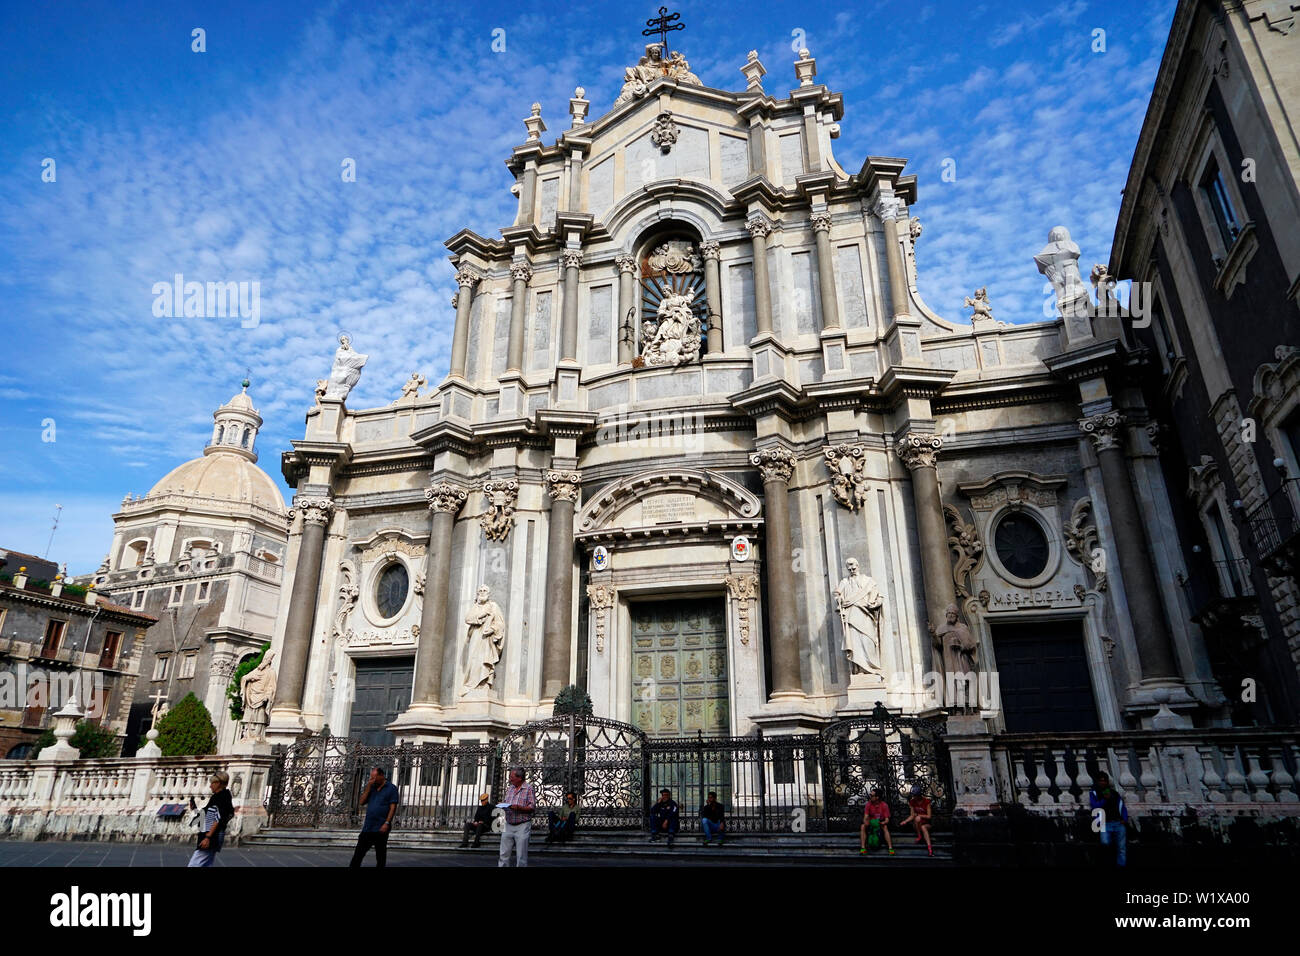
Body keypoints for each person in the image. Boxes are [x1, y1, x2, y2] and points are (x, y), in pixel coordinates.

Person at [350, 766, 398, 868]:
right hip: (368, 827)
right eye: (371, 777)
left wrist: (387, 823)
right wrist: (368, 787)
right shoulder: (371, 787)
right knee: (358, 854)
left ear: (381, 776)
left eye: (374, 777)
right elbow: (362, 802)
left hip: (381, 827)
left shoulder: (391, 788)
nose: (372, 780)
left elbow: (392, 808)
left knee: (380, 855)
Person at [187, 772, 234, 867]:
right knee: (206, 863)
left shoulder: (221, 798)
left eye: (212, 783)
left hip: (212, 835)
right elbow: (208, 814)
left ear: (218, 783)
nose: (210, 786)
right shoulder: (218, 797)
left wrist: (208, 837)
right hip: (211, 834)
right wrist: (195, 808)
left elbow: (218, 818)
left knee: (195, 864)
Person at [1089, 771, 1129, 867]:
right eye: (1100, 781)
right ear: (1097, 782)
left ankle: (1121, 865)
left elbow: (1122, 807)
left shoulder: (1114, 793)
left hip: (1118, 823)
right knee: (1105, 842)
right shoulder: (1094, 793)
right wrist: (1104, 799)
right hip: (1104, 824)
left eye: (1104, 781)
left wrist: (1124, 818)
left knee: (1122, 848)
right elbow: (1095, 806)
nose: (1102, 783)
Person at [499, 766, 536, 867]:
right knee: (503, 853)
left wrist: (520, 808)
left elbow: (532, 807)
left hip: (522, 826)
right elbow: (507, 802)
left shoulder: (529, 789)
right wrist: (503, 805)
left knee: (521, 856)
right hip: (508, 824)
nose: (510, 779)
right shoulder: (510, 788)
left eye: (511, 777)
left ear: (519, 778)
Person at [899, 786, 933, 857]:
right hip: (917, 825)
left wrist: (919, 815)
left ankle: (929, 849)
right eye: (913, 795)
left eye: (915, 795)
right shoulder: (912, 802)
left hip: (926, 824)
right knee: (917, 819)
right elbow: (912, 815)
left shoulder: (926, 801)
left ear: (919, 795)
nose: (914, 797)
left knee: (923, 826)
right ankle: (919, 836)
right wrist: (905, 821)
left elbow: (929, 816)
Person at [859, 789, 894, 856]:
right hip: (871, 823)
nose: (870, 797)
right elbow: (866, 816)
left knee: (885, 827)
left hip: (880, 823)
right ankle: (863, 848)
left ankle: (890, 848)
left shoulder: (884, 805)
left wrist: (883, 823)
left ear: (877, 797)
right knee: (863, 826)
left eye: (872, 795)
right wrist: (866, 821)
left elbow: (887, 820)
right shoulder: (868, 804)